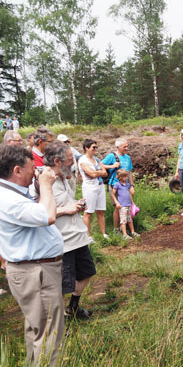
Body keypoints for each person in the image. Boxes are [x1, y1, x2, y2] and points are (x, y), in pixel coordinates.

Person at [0, 145, 65, 366]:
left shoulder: (12, 193)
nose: (35, 171)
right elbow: (47, 216)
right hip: (36, 273)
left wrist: (39, 186)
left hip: (33, 271)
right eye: (32, 167)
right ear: (17, 171)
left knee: (37, 330)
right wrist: (46, 185)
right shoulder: (7, 200)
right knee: (48, 335)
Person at [44, 141, 96, 319]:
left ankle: (73, 308)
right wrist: (65, 210)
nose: (73, 163)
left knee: (86, 273)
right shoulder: (43, 181)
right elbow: (39, 213)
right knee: (61, 284)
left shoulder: (65, 177)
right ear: (57, 161)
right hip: (61, 242)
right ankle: (57, 322)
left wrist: (76, 205)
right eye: (69, 160)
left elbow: (64, 202)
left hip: (78, 237)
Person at [78, 139, 109, 239]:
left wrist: (97, 172)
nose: (95, 149)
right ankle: (87, 236)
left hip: (99, 186)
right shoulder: (83, 160)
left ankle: (103, 234)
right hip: (89, 188)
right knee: (88, 212)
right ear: (86, 148)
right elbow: (92, 173)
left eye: (96, 147)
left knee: (100, 211)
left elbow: (105, 173)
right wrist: (97, 172)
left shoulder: (96, 159)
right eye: (93, 147)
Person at [102, 138, 134, 231]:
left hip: (125, 186)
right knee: (118, 207)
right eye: (124, 147)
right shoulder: (112, 156)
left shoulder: (128, 157)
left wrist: (131, 186)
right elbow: (100, 165)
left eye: (127, 146)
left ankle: (124, 227)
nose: (127, 148)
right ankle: (116, 229)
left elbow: (130, 172)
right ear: (118, 147)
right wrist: (112, 166)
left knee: (126, 206)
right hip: (114, 185)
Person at [111, 169, 139, 239]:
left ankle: (132, 232)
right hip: (122, 205)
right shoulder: (117, 184)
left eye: (126, 176)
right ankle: (124, 235)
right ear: (120, 177)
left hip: (128, 204)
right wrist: (116, 202)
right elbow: (113, 194)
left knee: (129, 220)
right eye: (124, 177)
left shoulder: (127, 184)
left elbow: (129, 194)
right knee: (123, 220)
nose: (126, 178)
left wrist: (132, 201)